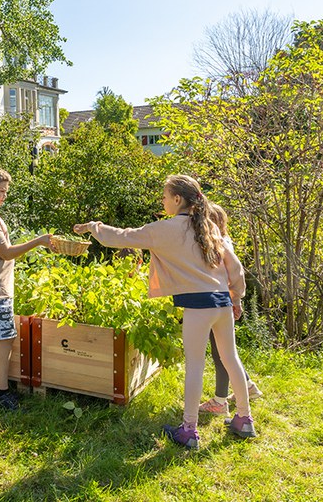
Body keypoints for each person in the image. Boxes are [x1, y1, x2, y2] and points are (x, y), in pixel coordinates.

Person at [74, 175, 256, 448]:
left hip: (198, 306)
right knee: (231, 358)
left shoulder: (165, 229)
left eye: (165, 196)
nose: (162, 200)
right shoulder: (208, 227)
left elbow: (123, 237)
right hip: (222, 303)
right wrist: (237, 298)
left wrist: (93, 227)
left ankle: (189, 430)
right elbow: (236, 267)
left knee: (195, 365)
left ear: (177, 200)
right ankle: (244, 419)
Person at [0, 166, 53, 410]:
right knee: (5, 337)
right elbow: (5, 252)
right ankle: (1, 392)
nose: (5, 196)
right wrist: (38, 241)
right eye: (2, 191)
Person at [199, 203, 263, 416]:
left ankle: (220, 400)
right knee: (226, 352)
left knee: (221, 354)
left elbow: (232, 274)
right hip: (226, 300)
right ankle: (248, 386)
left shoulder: (218, 245)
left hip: (218, 301)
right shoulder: (226, 242)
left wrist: (236, 300)